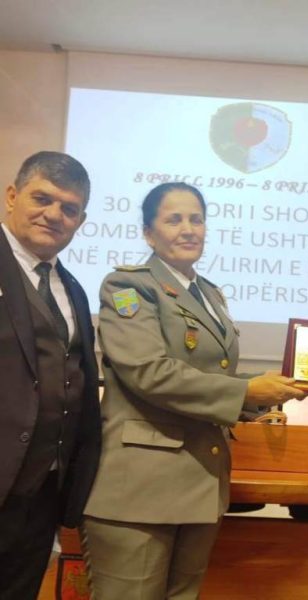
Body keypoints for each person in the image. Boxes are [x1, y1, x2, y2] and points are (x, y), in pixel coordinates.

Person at [82, 181, 303, 600]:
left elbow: (210, 373)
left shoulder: (210, 294)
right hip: (141, 489)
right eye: (174, 219)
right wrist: (245, 392)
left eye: (196, 219)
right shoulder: (127, 286)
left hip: (200, 483)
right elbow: (148, 372)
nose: (188, 229)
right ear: (149, 233)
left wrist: (267, 393)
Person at [0, 151, 101, 600]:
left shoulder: (73, 288)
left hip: (42, 491)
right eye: (42, 199)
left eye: (69, 208)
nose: (54, 214)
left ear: (80, 220)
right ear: (12, 196)